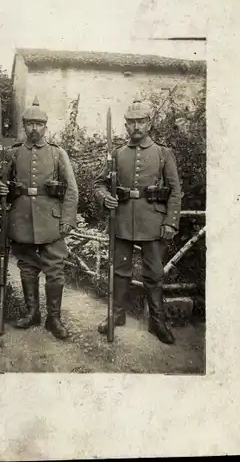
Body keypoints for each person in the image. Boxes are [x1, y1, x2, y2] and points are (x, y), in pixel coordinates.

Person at [94, 98, 182, 345]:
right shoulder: (117, 153)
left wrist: (170, 222)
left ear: (149, 124)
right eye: (131, 122)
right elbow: (99, 183)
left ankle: (157, 321)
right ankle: (117, 315)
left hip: (153, 222)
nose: (136, 127)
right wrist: (105, 197)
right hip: (121, 220)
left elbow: (175, 191)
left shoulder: (163, 153)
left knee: (153, 273)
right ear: (125, 126)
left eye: (140, 121)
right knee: (119, 271)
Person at [0, 97, 78, 340]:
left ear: (45, 127)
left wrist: (68, 219)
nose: (34, 128)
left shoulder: (58, 153)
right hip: (21, 218)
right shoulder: (13, 152)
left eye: (39, 124)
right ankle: (32, 313)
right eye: (29, 123)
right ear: (24, 125)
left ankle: (54, 318)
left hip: (51, 219)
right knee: (27, 266)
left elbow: (71, 189)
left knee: (55, 268)